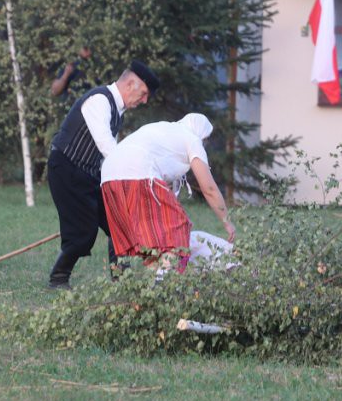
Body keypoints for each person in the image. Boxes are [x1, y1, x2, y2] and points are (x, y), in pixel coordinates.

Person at [46, 60, 160, 289]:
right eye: (144, 94)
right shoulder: (98, 101)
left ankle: (122, 279)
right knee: (83, 231)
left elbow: (109, 156)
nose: (145, 100)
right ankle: (58, 278)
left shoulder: (118, 111)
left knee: (119, 221)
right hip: (66, 169)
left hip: (89, 174)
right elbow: (107, 147)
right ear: (130, 84)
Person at [100, 114, 235, 274]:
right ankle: (163, 283)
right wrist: (227, 221)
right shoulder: (191, 138)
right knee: (177, 232)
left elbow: (166, 193)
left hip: (109, 179)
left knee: (157, 237)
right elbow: (209, 188)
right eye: (205, 139)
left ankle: (158, 278)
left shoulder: (165, 131)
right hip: (137, 173)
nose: (204, 143)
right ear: (201, 134)